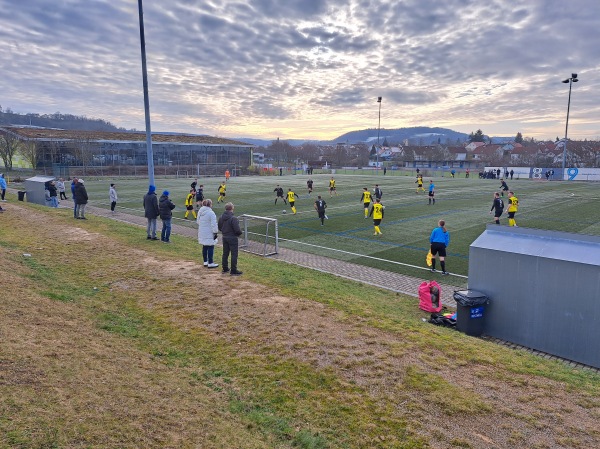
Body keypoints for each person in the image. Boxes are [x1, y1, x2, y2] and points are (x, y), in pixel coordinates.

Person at [218, 202, 243, 275]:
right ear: (232, 209)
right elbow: (237, 230)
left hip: (224, 236)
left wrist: (224, 231)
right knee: (234, 254)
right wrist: (239, 234)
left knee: (225, 253)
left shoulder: (221, 217)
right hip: (232, 237)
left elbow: (219, 227)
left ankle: (225, 268)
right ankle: (233, 270)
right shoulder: (233, 218)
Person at [197, 199, 219, 268]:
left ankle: (205, 261)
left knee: (205, 246)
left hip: (202, 231)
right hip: (209, 232)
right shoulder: (211, 213)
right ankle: (210, 262)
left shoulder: (200, 212)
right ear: (210, 205)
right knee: (210, 246)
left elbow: (198, 221)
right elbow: (214, 224)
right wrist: (215, 232)